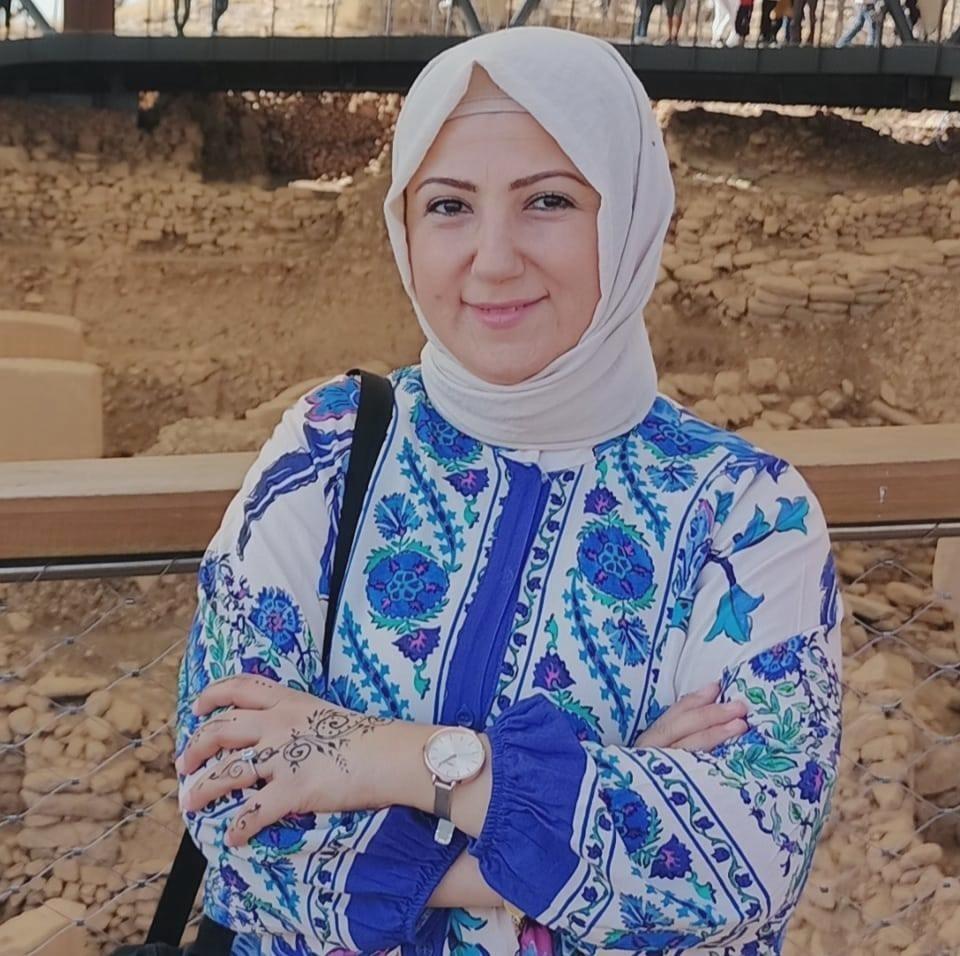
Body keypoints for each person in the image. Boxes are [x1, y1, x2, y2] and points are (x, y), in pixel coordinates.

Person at [175, 25, 842, 956]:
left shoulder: (747, 514)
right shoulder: (327, 451)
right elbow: (227, 805)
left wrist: (388, 757)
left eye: (548, 201)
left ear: (630, 215)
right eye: (449, 205)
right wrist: (601, 799)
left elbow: (748, 858)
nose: (493, 258)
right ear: (404, 228)